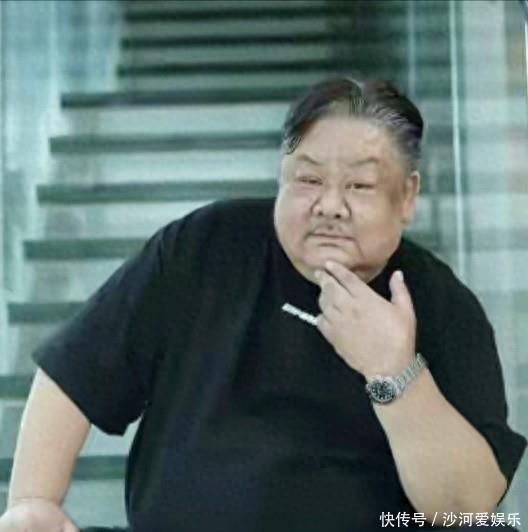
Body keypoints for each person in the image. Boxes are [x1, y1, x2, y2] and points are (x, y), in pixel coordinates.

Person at [0, 78, 526, 532]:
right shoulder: (205, 247)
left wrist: (394, 373)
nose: (330, 206)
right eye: (308, 179)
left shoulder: (443, 306)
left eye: (360, 185)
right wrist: (32, 502)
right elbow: (75, 374)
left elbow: (468, 512)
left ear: (407, 196)